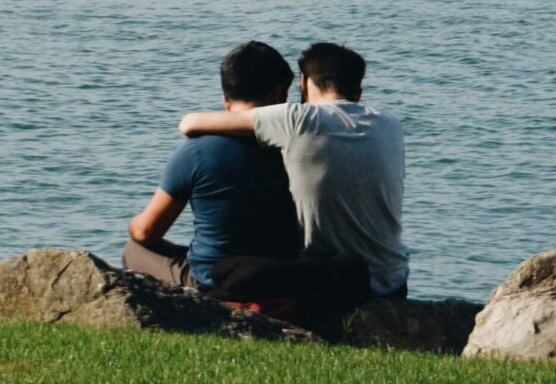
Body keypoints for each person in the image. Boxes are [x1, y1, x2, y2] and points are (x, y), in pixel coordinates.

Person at [178, 42, 408, 298]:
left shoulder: (297, 118)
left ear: (304, 82)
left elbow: (190, 123)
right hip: (394, 280)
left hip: (335, 284)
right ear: (359, 92)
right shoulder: (390, 125)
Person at [122, 41, 301, 290]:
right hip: (284, 277)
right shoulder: (300, 147)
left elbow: (146, 232)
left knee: (135, 249)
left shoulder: (195, 152)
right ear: (278, 95)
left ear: (226, 100)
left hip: (215, 281)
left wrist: (133, 222)